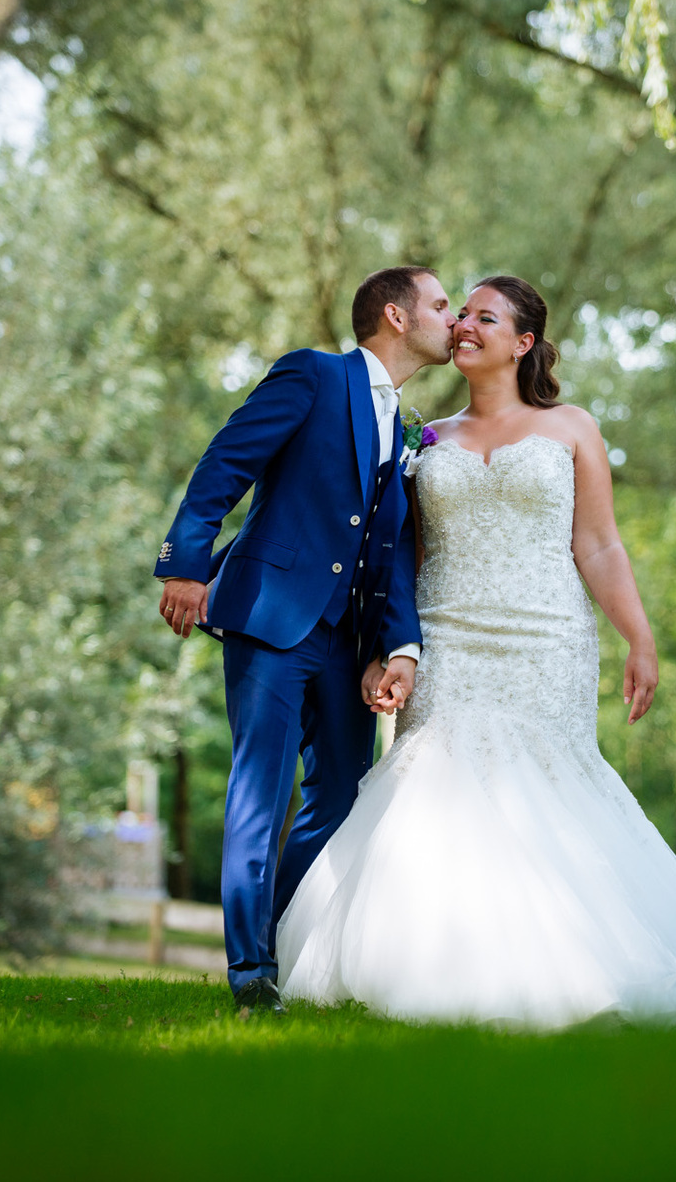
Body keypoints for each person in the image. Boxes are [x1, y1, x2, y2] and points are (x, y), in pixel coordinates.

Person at [277, 274, 676, 1028]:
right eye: (461, 316)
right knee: (437, 791)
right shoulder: (427, 440)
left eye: (485, 318)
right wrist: (395, 649)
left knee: (545, 792)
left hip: (548, 638)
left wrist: (639, 638)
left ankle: (581, 966)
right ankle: (440, 965)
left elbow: (600, 544)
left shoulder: (573, 428)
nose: (464, 327)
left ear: (523, 343)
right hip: (448, 638)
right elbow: (402, 560)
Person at [154, 266, 455, 1015]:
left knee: (339, 799)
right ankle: (250, 973)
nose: (453, 319)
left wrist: (397, 645)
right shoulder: (313, 377)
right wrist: (187, 564)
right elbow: (227, 462)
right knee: (262, 789)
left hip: (349, 641)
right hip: (273, 616)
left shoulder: (406, 424)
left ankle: (286, 944)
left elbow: (390, 551)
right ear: (395, 315)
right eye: (442, 305)